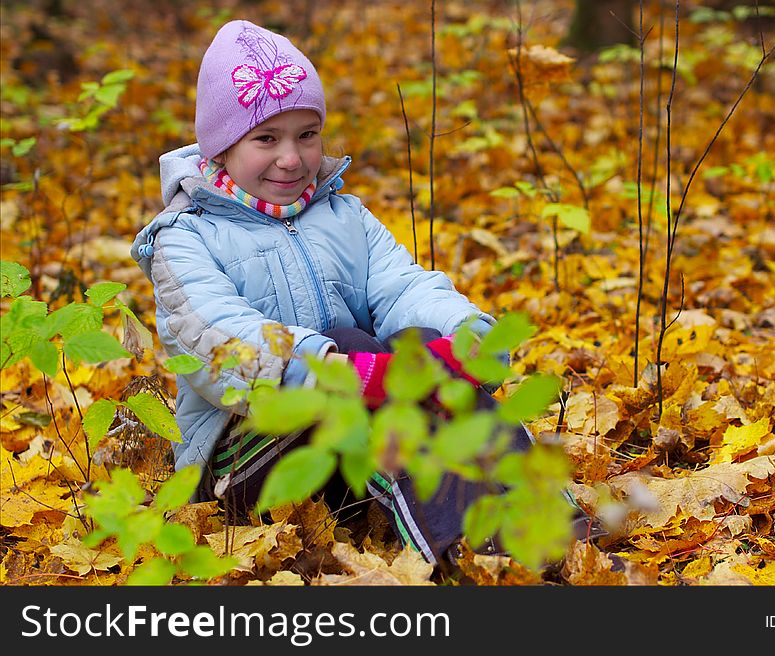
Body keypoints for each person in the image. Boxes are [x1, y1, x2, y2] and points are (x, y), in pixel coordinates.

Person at [131, 19, 599, 567]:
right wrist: (338, 369)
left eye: (307, 135)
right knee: (355, 344)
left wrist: (461, 331)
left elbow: (401, 285)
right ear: (222, 146)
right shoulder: (184, 236)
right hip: (243, 457)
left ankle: (556, 534)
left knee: (421, 347)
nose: (291, 158)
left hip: (350, 442)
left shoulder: (343, 215)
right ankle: (475, 559)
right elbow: (216, 339)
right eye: (266, 139)